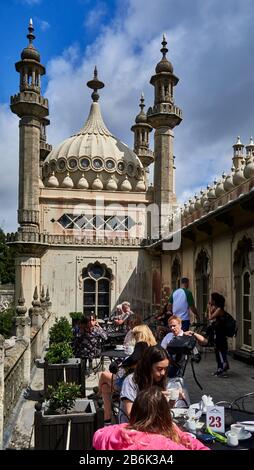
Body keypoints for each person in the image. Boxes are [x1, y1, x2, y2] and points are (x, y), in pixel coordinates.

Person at [93, 386, 209, 450]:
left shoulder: (110, 432)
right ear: (164, 416)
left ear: (136, 411)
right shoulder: (163, 445)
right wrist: (181, 435)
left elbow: (97, 436)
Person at [119, 345, 186, 423]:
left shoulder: (159, 380)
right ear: (148, 366)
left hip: (152, 425)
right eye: (159, 369)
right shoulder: (131, 381)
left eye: (165, 368)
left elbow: (163, 411)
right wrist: (153, 399)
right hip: (132, 428)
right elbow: (130, 414)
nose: (163, 373)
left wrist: (173, 399)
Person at [98, 341, 149, 425]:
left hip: (123, 387)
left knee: (103, 375)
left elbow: (119, 374)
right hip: (125, 386)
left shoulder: (133, 361)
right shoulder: (147, 358)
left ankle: (98, 394)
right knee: (105, 387)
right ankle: (107, 419)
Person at [187, 292, 229, 376]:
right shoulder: (216, 308)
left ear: (215, 300)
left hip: (220, 332)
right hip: (217, 331)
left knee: (220, 349)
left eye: (212, 299)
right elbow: (208, 316)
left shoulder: (219, 309)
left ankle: (223, 367)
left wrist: (209, 308)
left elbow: (210, 317)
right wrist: (209, 308)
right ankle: (220, 368)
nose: (210, 300)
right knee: (217, 349)